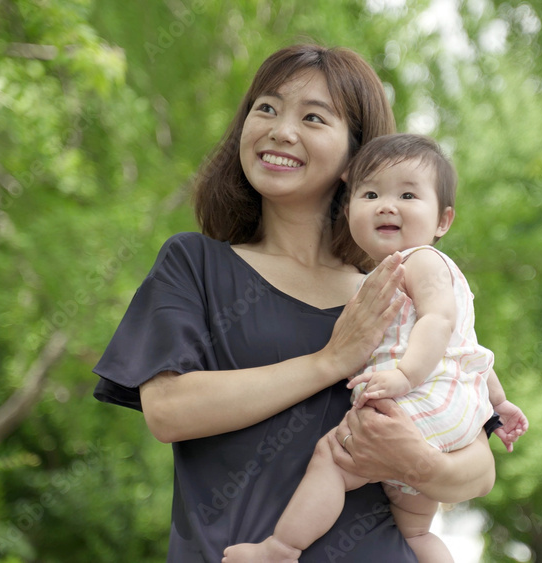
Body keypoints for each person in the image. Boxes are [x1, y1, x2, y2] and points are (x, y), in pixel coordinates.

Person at [93, 45, 499, 562]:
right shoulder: (195, 264)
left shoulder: (396, 289)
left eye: (312, 117)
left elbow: (479, 469)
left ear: (358, 159)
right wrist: (330, 360)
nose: (281, 131)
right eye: (266, 108)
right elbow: (168, 410)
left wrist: (416, 463)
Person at [222, 134, 529, 563]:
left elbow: (437, 323)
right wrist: (498, 406)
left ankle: (281, 549)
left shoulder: (418, 261)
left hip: (417, 402)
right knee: (417, 531)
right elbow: (467, 349)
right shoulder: (405, 276)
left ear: (443, 221)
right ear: (348, 211)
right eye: (370, 194)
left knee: (332, 455)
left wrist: (403, 376)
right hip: (452, 415)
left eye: (407, 194)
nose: (387, 204)